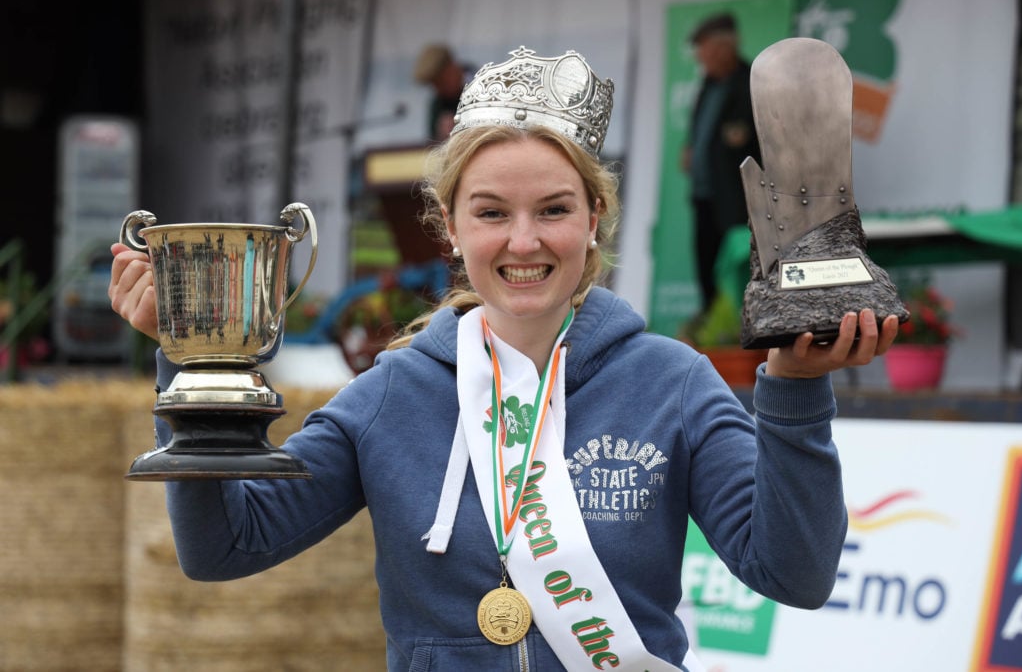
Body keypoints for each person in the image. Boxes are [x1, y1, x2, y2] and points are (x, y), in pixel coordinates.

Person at [109, 46, 898, 671]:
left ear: (594, 218)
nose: (524, 241)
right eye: (491, 212)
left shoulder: (673, 382)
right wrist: (193, 360)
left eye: (554, 209)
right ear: (449, 225)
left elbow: (795, 575)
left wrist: (795, 391)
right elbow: (223, 547)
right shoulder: (393, 393)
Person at [680, 12, 760, 315]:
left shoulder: (751, 82)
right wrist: (691, 148)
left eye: (709, 50)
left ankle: (745, 332)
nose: (703, 58)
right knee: (706, 269)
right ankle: (712, 328)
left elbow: (751, 140)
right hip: (704, 195)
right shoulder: (708, 84)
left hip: (737, 202)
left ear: (728, 46)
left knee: (741, 271)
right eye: (701, 52)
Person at [414, 43, 472, 141]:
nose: (438, 89)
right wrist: (441, 135)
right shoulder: (438, 104)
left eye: (441, 82)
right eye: (434, 85)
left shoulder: (483, 86)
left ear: (451, 68)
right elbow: (433, 144)